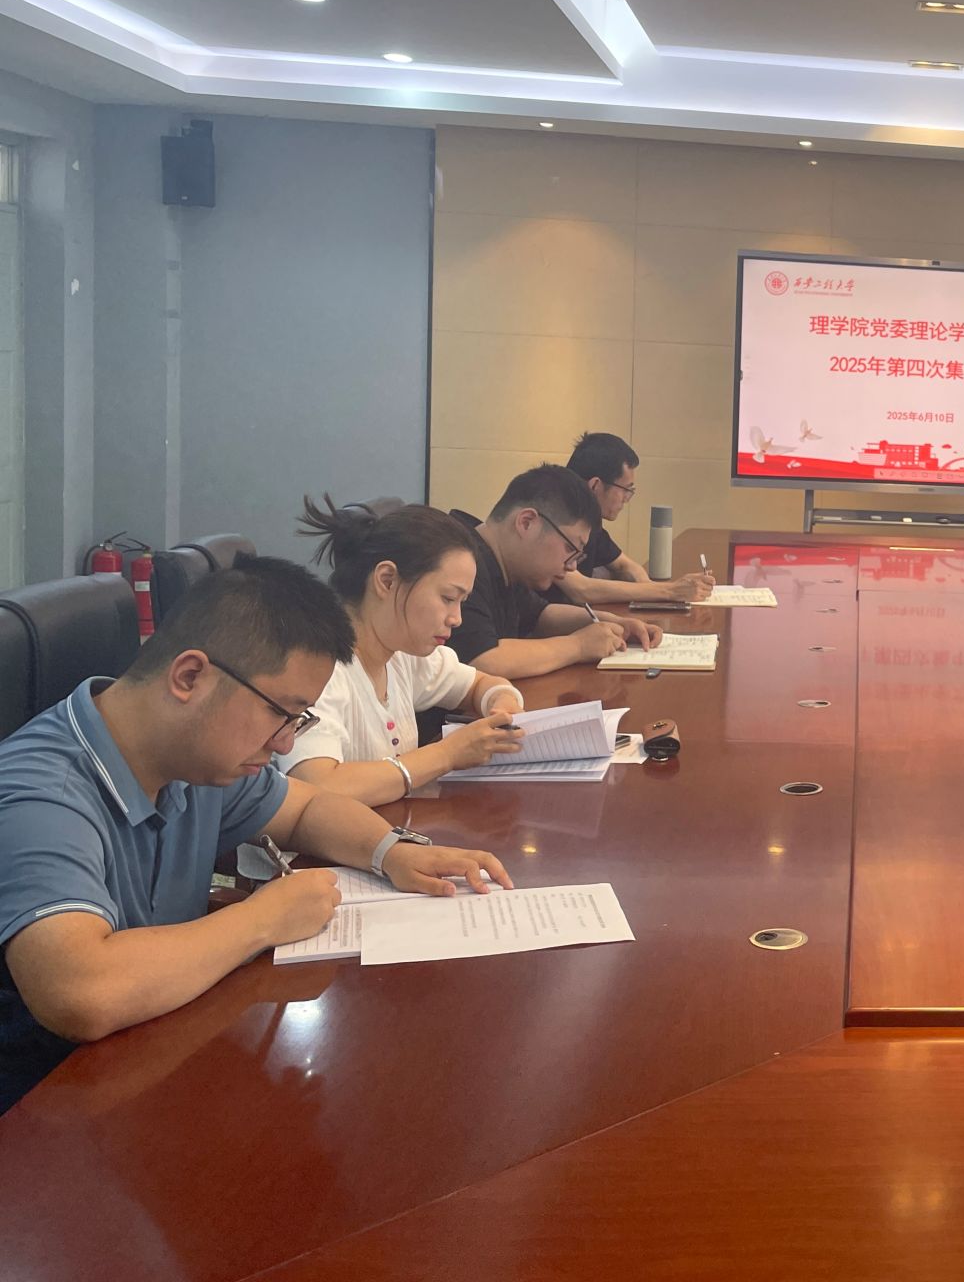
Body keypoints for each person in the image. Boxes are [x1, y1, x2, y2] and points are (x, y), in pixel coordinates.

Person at [0, 557, 511, 1112]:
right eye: (280, 713)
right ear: (189, 677)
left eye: (299, 720)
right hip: (50, 1110)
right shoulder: (42, 792)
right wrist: (262, 919)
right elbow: (80, 991)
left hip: (156, 1056)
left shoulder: (193, 759)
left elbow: (307, 806)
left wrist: (392, 851)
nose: (286, 744)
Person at [282, 497, 531, 804]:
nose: (456, 618)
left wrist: (501, 704)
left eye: (461, 602)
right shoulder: (316, 665)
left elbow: (479, 683)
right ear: (387, 580)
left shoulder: (403, 652)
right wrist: (447, 754)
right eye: (447, 598)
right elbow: (317, 786)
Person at [446, 464, 664, 680]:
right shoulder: (459, 561)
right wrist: (578, 646)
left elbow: (540, 615)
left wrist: (613, 623)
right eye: (570, 548)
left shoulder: (506, 564)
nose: (572, 566)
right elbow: (482, 660)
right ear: (527, 523)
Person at [549, 432, 713, 608]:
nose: (626, 499)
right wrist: (670, 591)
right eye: (625, 490)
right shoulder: (552, 516)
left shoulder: (588, 518)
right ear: (595, 485)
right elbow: (581, 590)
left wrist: (655, 590)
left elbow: (624, 565)